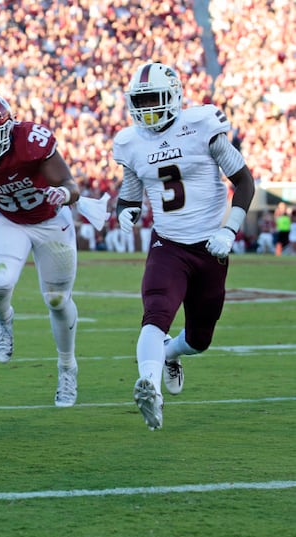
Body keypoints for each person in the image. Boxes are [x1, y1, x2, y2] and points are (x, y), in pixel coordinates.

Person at [113, 62, 255, 430]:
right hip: (168, 245)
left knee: (199, 339)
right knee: (156, 313)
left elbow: (244, 181)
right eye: (140, 101)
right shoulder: (131, 143)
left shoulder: (202, 125)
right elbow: (129, 195)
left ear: (174, 96)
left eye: (153, 99)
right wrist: (125, 211)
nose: (146, 109)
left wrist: (229, 231)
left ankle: (171, 356)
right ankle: (150, 386)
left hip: (211, 246)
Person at [0, 91, 82, 408]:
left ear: (9, 130)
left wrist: (62, 194)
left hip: (50, 221)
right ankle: (4, 319)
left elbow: (71, 184)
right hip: (7, 220)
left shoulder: (30, 141)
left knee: (57, 299)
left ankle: (67, 367)